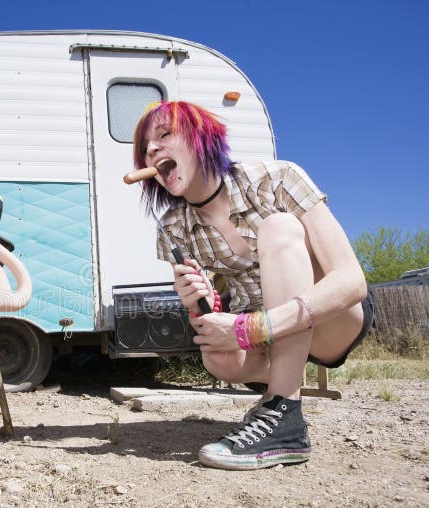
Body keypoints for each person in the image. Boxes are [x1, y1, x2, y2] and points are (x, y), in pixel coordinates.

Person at [132, 101, 374, 470]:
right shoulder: (173, 228)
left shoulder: (277, 179)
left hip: (332, 321)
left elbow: (352, 281)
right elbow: (213, 317)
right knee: (217, 353)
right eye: (145, 147)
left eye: (164, 135)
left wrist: (252, 327)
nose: (151, 150)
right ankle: (281, 390)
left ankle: (284, 416)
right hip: (267, 333)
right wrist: (201, 305)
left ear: (202, 138)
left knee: (279, 227)